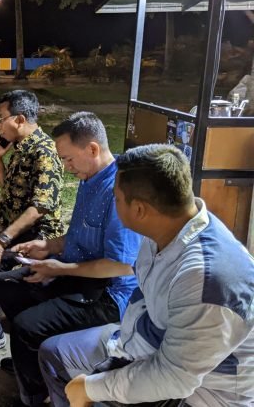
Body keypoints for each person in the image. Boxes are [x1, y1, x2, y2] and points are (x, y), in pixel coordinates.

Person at [39, 144, 254, 407]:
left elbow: (174, 377)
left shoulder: (206, 279)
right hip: (144, 342)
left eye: (116, 199)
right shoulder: (166, 231)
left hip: (202, 393)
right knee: (54, 353)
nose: (114, 205)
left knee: (88, 390)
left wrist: (91, 388)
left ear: (139, 210)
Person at [0, 112, 142, 407]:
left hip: (107, 293)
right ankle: (32, 362)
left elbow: (121, 265)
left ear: (92, 149)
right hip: (76, 272)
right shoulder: (90, 177)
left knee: (26, 325)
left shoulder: (119, 191)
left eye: (68, 159)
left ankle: (36, 395)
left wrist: (60, 268)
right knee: (5, 283)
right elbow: (81, 235)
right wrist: (47, 246)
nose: (66, 167)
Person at [0, 89, 66, 358]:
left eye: (1, 118)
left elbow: (39, 208)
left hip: (36, 234)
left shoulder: (44, 152)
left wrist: (2, 239)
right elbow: (10, 190)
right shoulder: (22, 146)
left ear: (19, 119)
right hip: (12, 223)